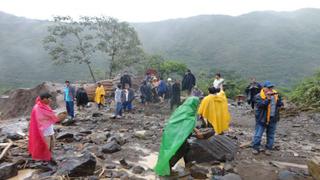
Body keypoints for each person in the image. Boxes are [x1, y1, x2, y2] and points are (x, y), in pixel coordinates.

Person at [154, 97, 204, 177]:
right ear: (194, 103)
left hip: (171, 131)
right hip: (177, 134)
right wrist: (196, 132)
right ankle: (168, 168)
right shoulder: (190, 110)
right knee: (178, 150)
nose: (198, 105)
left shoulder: (182, 108)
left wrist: (195, 130)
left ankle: (168, 167)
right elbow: (188, 121)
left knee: (170, 150)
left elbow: (184, 121)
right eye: (198, 104)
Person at [28, 92, 63, 161]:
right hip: (43, 130)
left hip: (49, 128)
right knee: (46, 144)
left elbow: (49, 115)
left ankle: (49, 154)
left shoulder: (45, 105)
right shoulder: (37, 107)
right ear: (44, 99)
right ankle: (45, 158)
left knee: (52, 142)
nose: (50, 100)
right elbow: (39, 120)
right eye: (49, 99)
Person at [252, 81, 283, 156]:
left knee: (271, 134)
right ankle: (255, 148)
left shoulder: (276, 95)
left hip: (273, 118)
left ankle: (268, 148)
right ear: (264, 88)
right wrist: (268, 98)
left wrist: (280, 102)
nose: (270, 89)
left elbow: (279, 104)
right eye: (268, 87)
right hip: (261, 118)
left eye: (271, 87)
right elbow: (261, 105)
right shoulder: (258, 96)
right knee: (258, 134)